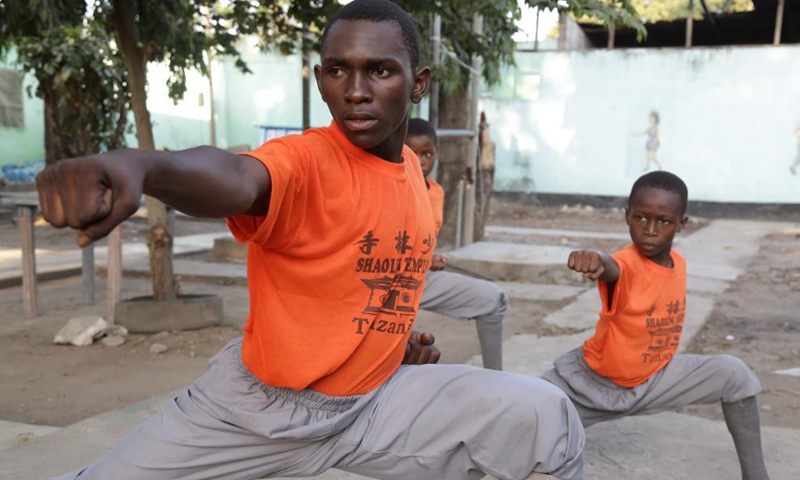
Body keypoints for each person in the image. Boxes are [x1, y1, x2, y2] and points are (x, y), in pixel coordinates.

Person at [36, 1, 584, 479]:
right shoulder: (305, 161)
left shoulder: (415, 178)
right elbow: (236, 177)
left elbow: (361, 279)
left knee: (544, 417)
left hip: (372, 402)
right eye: (339, 72)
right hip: (254, 411)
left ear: (418, 82)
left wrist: (392, 345)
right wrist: (145, 167)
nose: (356, 91)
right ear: (321, 80)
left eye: (381, 71)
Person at [542, 171, 770, 480]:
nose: (650, 230)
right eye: (640, 218)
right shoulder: (625, 264)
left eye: (663, 221)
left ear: (682, 224)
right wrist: (593, 258)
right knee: (528, 422)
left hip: (655, 379)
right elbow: (611, 267)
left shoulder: (680, 263)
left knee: (735, 374)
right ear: (627, 217)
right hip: (592, 386)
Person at [405, 118, 509, 370]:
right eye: (411, 153)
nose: (420, 161)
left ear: (437, 154)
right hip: (386, 283)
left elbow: (421, 239)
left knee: (493, 300)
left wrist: (430, 257)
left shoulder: (436, 191)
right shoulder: (390, 187)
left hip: (422, 278)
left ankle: (495, 378)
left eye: (427, 154)